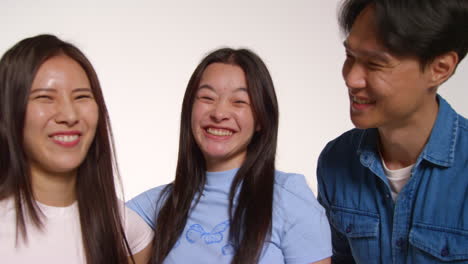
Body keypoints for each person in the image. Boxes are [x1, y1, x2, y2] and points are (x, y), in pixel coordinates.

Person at [127, 48, 332, 264]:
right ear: (189, 110)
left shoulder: (290, 197)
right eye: (207, 97)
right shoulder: (155, 206)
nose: (219, 113)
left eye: (239, 101)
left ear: (261, 119)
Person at [317, 0, 468, 263]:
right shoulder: (336, 159)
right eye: (349, 57)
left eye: (375, 64)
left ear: (440, 69)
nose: (351, 78)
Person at [0, 34, 153, 264]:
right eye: (45, 97)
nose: (70, 116)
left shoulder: (123, 226)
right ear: (10, 110)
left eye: (82, 97)